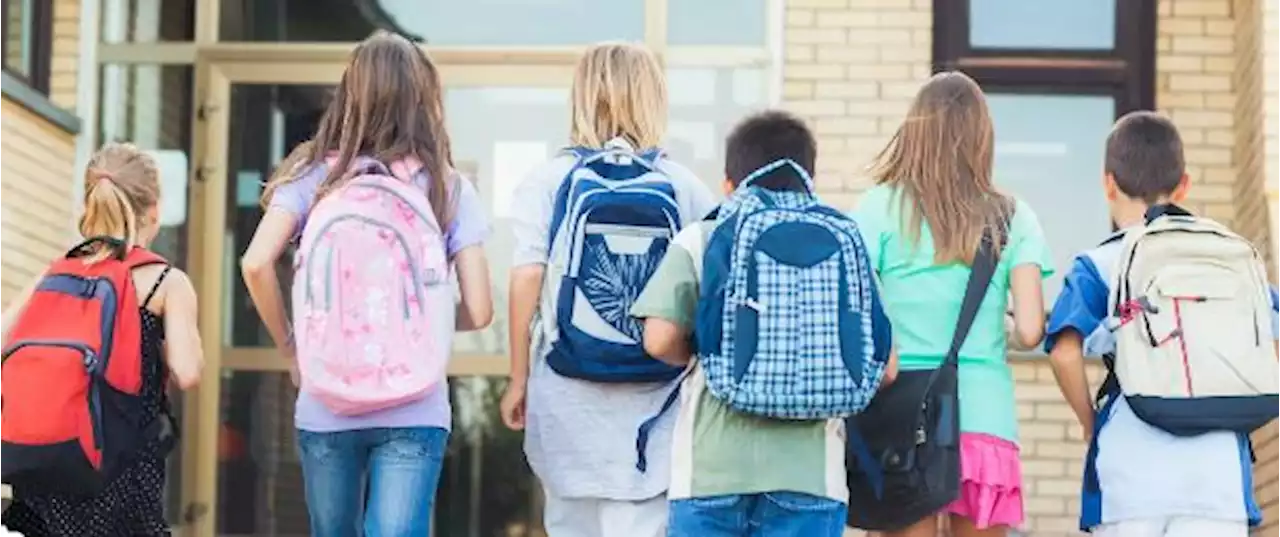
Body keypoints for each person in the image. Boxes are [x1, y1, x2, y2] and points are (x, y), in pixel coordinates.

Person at [241, 31, 493, 536]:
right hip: (415, 404)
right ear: (424, 99)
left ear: (350, 94)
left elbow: (255, 264)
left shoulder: (314, 175)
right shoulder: (446, 185)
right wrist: (425, 321)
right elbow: (482, 309)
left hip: (326, 400)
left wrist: (293, 347)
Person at [500, 42, 716, 537]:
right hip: (653, 411)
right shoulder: (683, 186)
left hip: (566, 397)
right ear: (653, 98)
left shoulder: (548, 180)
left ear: (580, 97)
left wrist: (516, 379)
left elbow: (526, 275)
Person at [630, 109, 875, 537]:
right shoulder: (845, 240)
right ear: (808, 176)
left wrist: (703, 350)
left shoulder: (702, 238)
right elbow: (884, 364)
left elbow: (658, 338)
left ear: (730, 184)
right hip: (811, 477)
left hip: (710, 471)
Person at [1045, 111, 1272, 537]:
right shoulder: (1229, 258)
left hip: (1130, 473)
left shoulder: (1098, 264)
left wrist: (1088, 422)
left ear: (1108, 183)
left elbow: (1064, 352)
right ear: (1183, 184)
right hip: (1218, 470)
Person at [851, 72, 1053, 537]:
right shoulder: (1013, 217)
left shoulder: (878, 207)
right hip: (983, 413)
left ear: (916, 131)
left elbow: (856, 307)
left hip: (901, 416)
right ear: (982, 138)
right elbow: (1028, 330)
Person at [0, 142, 204, 536]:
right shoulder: (164, 282)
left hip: (48, 465)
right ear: (155, 210)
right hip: (119, 473)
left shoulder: (57, 274)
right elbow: (188, 372)